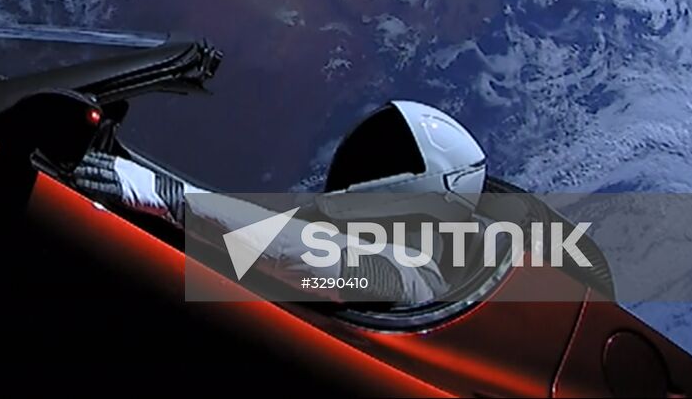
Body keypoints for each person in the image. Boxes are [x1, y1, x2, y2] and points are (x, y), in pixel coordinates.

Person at [70, 100, 487, 306]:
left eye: (383, 159)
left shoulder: (414, 282)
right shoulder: (351, 236)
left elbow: (319, 263)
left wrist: (174, 199)